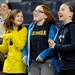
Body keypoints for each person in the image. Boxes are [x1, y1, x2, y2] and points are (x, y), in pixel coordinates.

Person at [23, 4, 60, 75]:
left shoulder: (51, 27)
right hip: (33, 63)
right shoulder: (31, 27)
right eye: (35, 11)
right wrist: (24, 55)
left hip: (48, 62)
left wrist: (43, 55)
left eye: (39, 11)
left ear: (46, 16)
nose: (35, 12)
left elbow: (54, 46)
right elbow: (26, 45)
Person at [48, 2, 75, 75]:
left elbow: (73, 46)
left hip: (72, 67)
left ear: (71, 14)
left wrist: (56, 46)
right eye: (59, 9)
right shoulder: (61, 28)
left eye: (63, 9)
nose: (59, 11)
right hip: (63, 66)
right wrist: (53, 45)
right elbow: (58, 46)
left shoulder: (72, 26)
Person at [0, 9, 28, 74]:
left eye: (22, 16)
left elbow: (21, 46)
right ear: (12, 19)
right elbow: (5, 49)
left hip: (19, 68)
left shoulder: (24, 30)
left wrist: (11, 36)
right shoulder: (8, 31)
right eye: (18, 16)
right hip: (7, 67)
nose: (20, 18)